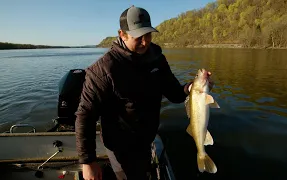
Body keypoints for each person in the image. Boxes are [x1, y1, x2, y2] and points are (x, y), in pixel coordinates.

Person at [75, 5, 213, 180]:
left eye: (148, 35)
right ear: (122, 34)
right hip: (121, 146)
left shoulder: (156, 59)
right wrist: (88, 162)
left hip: (146, 140)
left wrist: (192, 89)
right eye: (138, 37)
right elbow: (85, 116)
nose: (145, 42)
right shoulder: (103, 70)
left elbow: (175, 94)